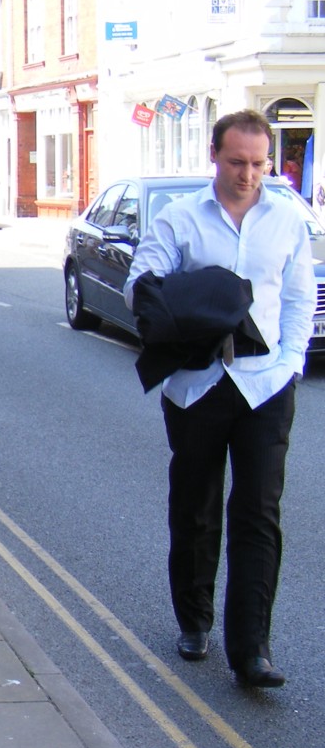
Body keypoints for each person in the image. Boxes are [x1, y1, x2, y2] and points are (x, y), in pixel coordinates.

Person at [123, 109, 315, 689]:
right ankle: (195, 621)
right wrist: (197, 300)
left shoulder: (288, 222)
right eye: (237, 162)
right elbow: (141, 283)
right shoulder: (180, 220)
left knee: (259, 514)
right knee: (196, 508)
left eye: (258, 163)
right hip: (196, 385)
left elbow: (298, 302)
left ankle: (252, 650)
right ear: (215, 155)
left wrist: (288, 366)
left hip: (265, 386)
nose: (249, 174)